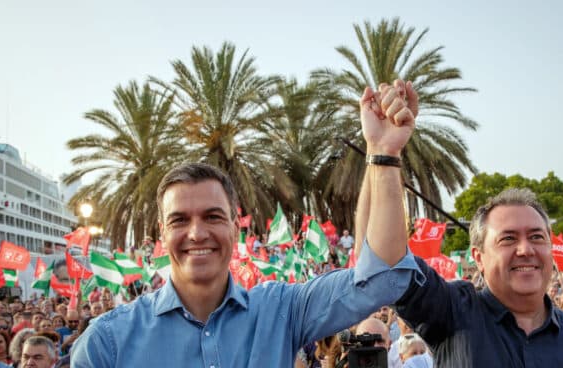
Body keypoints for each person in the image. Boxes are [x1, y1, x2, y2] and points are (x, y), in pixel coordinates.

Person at [71, 80, 423, 367]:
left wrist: (383, 153)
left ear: (234, 229)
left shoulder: (281, 311)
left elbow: (382, 279)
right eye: (180, 220)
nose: (197, 233)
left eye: (213, 216)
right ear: (162, 234)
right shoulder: (107, 344)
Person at [393, 188, 563, 367]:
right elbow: (389, 260)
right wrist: (384, 155)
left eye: (536, 237)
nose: (526, 249)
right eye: (508, 239)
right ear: (479, 258)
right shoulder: (452, 312)